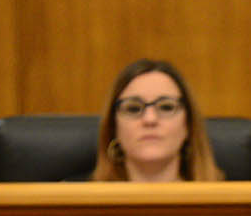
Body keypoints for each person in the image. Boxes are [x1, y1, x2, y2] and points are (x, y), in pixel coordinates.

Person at [92, 58, 222, 182]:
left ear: (188, 124)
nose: (150, 119)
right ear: (113, 126)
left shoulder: (227, 202)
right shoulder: (82, 202)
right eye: (133, 108)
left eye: (166, 107)